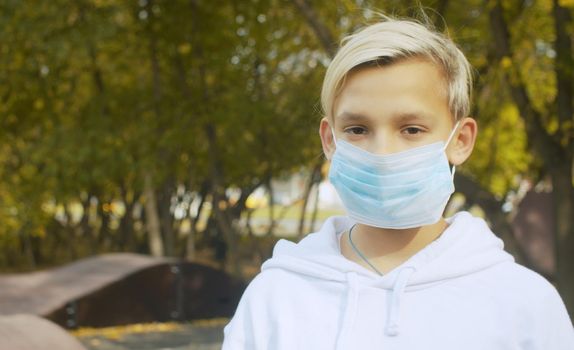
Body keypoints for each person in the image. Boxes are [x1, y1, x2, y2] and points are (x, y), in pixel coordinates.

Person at [221, 14, 574, 350]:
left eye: (412, 130)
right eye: (357, 129)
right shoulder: (275, 297)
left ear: (460, 140)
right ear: (329, 140)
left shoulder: (524, 305)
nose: (383, 152)